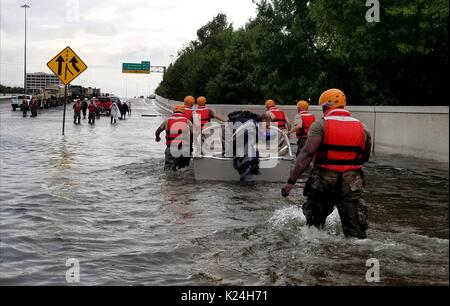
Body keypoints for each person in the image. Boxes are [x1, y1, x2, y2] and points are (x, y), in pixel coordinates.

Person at [282, 88, 372, 239]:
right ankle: (354, 258)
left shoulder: (320, 125)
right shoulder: (362, 127)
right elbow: (364, 157)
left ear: (325, 107)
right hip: (351, 180)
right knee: (356, 232)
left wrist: (291, 182)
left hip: (324, 178)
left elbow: (306, 154)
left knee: (314, 228)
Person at [155, 105, 193, 171]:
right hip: (184, 148)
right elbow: (193, 133)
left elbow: (158, 131)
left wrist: (157, 138)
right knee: (183, 169)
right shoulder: (187, 121)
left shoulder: (167, 121)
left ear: (173, 112)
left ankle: (170, 180)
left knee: (169, 170)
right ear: (183, 112)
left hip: (171, 148)